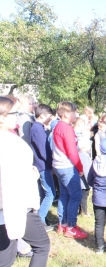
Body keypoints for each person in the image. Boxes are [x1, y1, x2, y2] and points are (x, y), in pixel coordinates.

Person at [0, 96, 50, 267]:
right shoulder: (10, 143)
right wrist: (32, 175)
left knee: (6, 258)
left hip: (6, 206)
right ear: (2, 117)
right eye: (14, 113)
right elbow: (14, 177)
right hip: (15, 205)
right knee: (42, 245)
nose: (18, 116)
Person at [52, 101, 88, 239]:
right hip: (67, 166)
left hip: (58, 165)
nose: (76, 114)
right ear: (67, 114)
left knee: (64, 195)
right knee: (75, 195)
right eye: (74, 112)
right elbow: (72, 151)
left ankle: (63, 224)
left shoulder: (58, 126)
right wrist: (80, 167)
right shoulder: (66, 128)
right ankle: (71, 227)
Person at [30, 104, 55, 232]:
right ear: (42, 115)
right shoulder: (37, 129)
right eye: (49, 116)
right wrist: (52, 164)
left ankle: (42, 218)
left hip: (44, 165)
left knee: (48, 193)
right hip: (43, 166)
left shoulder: (40, 128)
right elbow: (43, 151)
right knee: (50, 194)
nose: (51, 118)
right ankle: (40, 222)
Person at [74, 118, 92, 216]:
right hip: (84, 181)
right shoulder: (83, 155)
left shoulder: (82, 154)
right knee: (84, 195)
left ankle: (81, 210)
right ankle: (84, 212)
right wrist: (90, 181)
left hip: (82, 180)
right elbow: (85, 170)